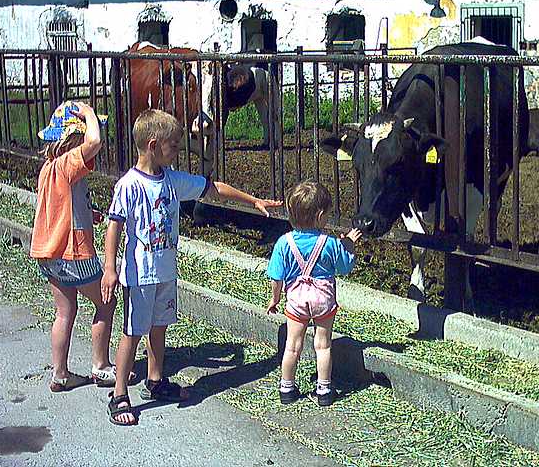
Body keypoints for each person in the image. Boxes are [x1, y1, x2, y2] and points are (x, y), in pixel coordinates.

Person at [102, 108, 281, 426]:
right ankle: (119, 395)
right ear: (154, 145)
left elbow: (213, 188)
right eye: (174, 146)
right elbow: (114, 225)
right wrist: (110, 268)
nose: (178, 151)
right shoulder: (128, 185)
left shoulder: (173, 180)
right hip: (140, 275)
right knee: (133, 332)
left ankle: (155, 381)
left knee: (160, 327)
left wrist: (253, 201)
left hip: (166, 272)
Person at [30, 101, 120, 391]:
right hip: (73, 254)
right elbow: (95, 141)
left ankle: (60, 374)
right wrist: (89, 114)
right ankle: (101, 366)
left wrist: (88, 213)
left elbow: (60, 207)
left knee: (65, 311)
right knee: (106, 302)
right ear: (73, 140)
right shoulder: (68, 164)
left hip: (49, 253)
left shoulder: (48, 169)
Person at [266, 180, 362, 407]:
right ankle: (324, 390)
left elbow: (276, 277)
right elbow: (345, 268)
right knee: (323, 345)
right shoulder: (329, 243)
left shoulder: (283, 242)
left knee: (292, 345)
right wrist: (349, 245)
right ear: (320, 216)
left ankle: (287, 388)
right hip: (323, 299)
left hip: (297, 300)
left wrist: (275, 299)